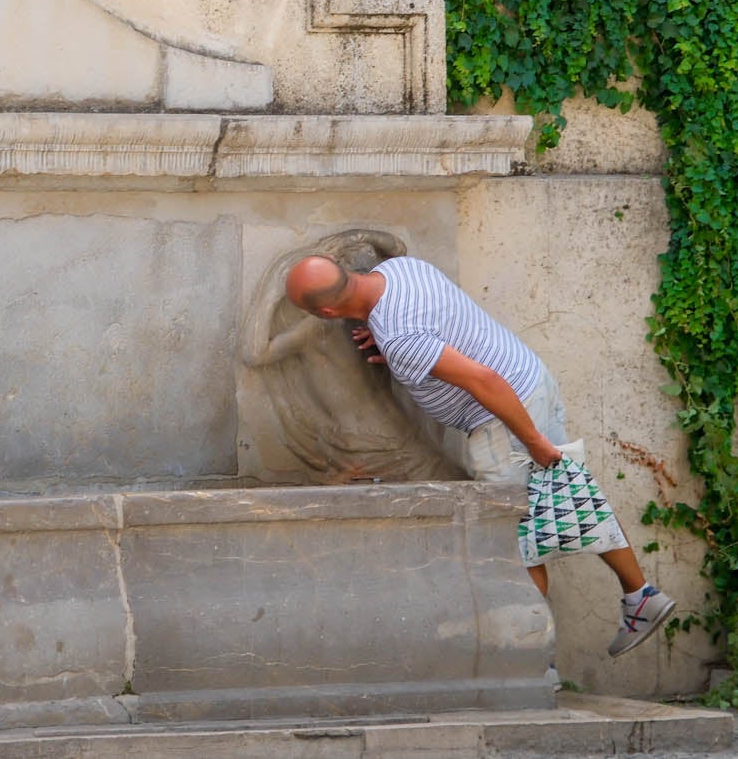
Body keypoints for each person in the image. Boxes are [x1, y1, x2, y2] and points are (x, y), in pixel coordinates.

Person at [284, 252, 675, 658]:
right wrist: (404, 347)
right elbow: (441, 327)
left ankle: (531, 667)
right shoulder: (400, 270)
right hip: (530, 380)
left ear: (327, 313)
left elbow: (483, 380)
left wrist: (531, 440)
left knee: (509, 545)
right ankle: (641, 596)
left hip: (504, 421)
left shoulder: (401, 338)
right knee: (572, 496)